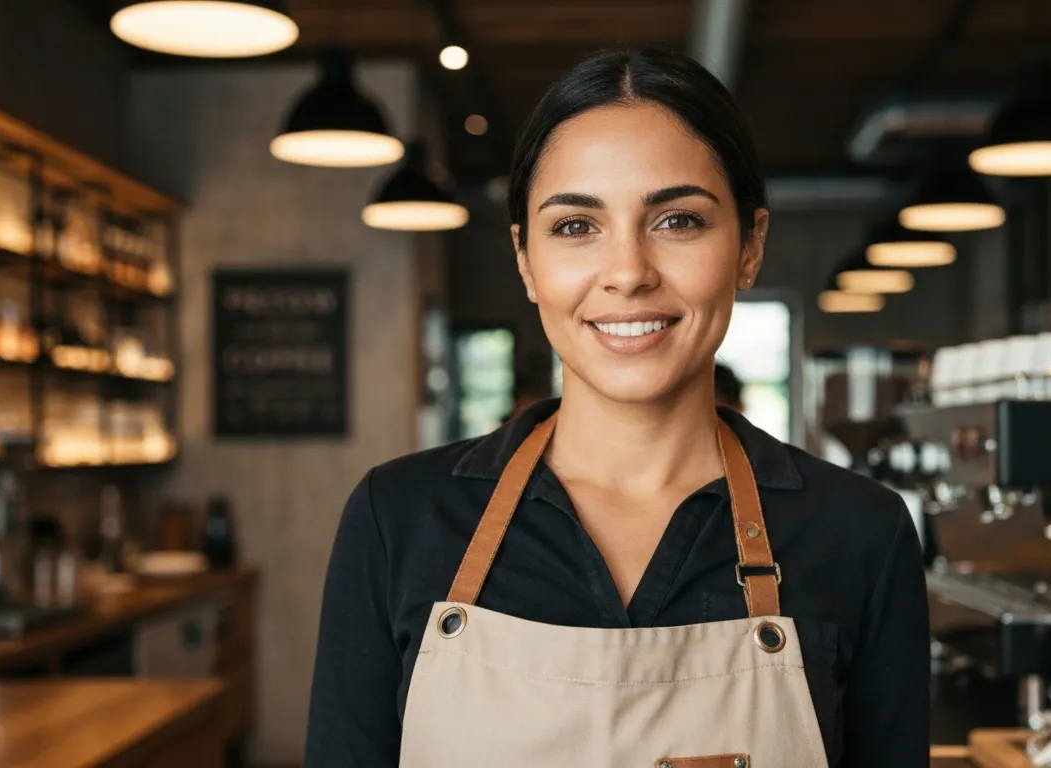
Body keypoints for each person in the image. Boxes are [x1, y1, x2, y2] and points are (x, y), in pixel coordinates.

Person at [306, 48, 929, 767]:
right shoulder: (397, 519)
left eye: (678, 220)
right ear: (525, 259)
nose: (629, 273)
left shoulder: (861, 534)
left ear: (750, 246)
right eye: (576, 226)